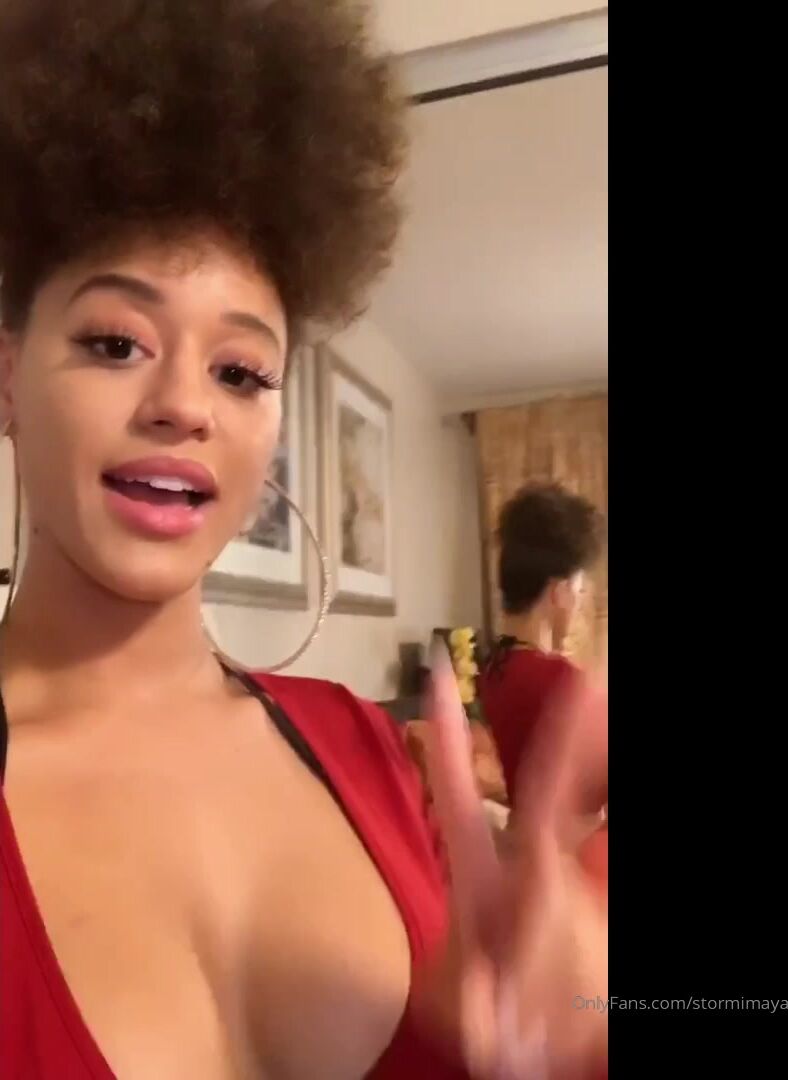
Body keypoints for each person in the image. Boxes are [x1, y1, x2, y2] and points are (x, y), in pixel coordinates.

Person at [0, 4, 607, 1078]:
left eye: (240, 370)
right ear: (7, 376)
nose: (185, 404)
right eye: (116, 342)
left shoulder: (371, 752)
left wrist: (567, 1030)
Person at [479, 482, 607, 816]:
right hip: (574, 843)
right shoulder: (562, 681)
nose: (578, 604)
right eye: (579, 591)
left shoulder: (494, 668)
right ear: (558, 592)